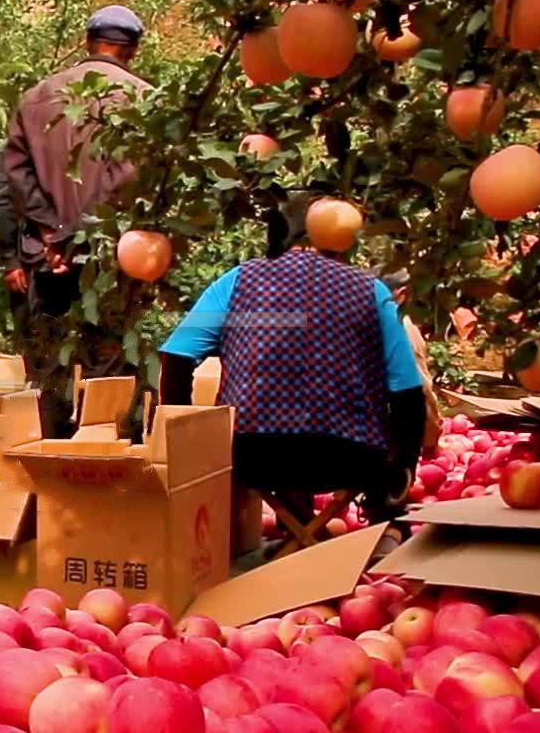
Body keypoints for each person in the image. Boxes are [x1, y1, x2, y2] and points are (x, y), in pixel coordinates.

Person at [155, 206, 428, 550]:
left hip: (251, 458)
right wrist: (402, 469)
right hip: (352, 459)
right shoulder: (370, 290)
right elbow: (407, 391)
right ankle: (385, 520)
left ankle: (297, 528)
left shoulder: (237, 281)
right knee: (390, 412)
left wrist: (187, 440)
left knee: (273, 418)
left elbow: (178, 355)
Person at [0, 5, 152, 436]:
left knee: (51, 365)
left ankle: (51, 463)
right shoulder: (144, 101)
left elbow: (14, 174)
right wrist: (84, 237)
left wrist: (52, 231)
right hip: (112, 257)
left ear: (88, 44)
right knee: (108, 364)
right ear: (133, 50)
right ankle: (97, 471)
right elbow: (131, 181)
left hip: (46, 254)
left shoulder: (36, 97)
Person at [375, 266, 444, 455]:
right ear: (403, 294)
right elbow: (418, 386)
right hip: (388, 443)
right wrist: (430, 439)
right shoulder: (400, 327)